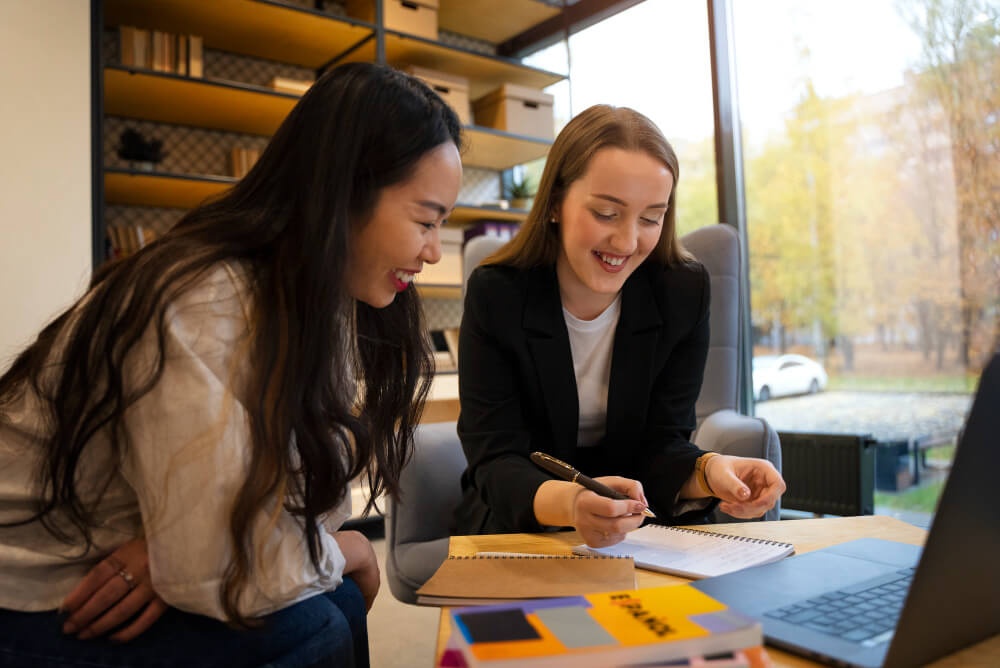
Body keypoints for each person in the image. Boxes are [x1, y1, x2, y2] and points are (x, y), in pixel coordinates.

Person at [0, 62, 463, 667]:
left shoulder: (320, 300)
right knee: (317, 624)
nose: (432, 251)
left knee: (336, 605)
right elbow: (220, 565)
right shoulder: (203, 296)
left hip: (122, 557)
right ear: (343, 190)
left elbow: (306, 503)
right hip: (47, 589)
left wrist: (196, 544)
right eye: (426, 221)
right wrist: (340, 550)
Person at [453, 104, 784, 547]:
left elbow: (663, 443)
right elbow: (495, 457)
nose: (627, 242)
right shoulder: (498, 294)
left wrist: (709, 472)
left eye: (650, 218)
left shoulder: (682, 293)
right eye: (607, 214)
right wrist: (570, 503)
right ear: (554, 203)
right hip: (525, 508)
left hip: (637, 510)